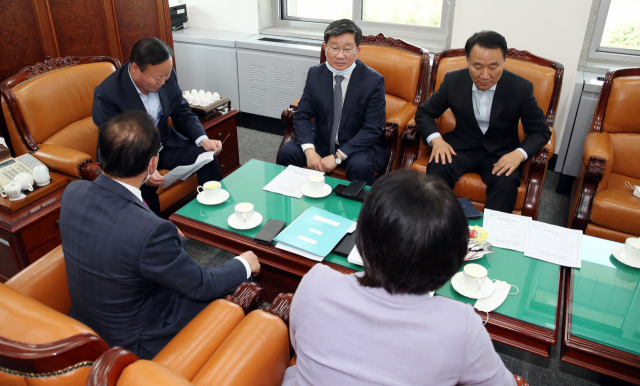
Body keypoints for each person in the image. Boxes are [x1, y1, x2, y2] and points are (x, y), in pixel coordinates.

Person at [282, 171, 516, 386]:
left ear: (362, 237)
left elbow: (297, 345)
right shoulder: (462, 327)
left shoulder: (316, 282)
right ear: (452, 261)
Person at [60, 110, 260, 359]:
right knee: (241, 284)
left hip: (86, 322)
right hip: (134, 342)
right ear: (153, 163)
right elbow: (201, 285)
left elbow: (118, 225)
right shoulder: (150, 232)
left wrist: (155, 231)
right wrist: (244, 263)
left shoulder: (73, 192)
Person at [415, 30, 551, 213]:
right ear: (467, 61)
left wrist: (518, 154)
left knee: (506, 183)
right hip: (460, 147)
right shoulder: (453, 81)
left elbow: (541, 131)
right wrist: (437, 140)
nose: (485, 75)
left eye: (493, 67)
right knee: (437, 169)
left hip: (501, 152)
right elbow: (424, 112)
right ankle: (433, 226)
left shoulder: (521, 88)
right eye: (477, 66)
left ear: (504, 62)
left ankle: (491, 236)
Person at [93, 37, 223, 216]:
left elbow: (182, 111)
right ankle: (156, 234)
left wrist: (203, 139)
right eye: (157, 77)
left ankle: (218, 214)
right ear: (136, 69)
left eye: (167, 75)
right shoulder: (107, 93)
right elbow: (114, 141)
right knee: (144, 188)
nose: (163, 81)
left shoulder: (166, 75)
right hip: (131, 155)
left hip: (164, 144)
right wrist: (145, 172)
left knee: (205, 156)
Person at [276, 19, 388, 186]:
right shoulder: (315, 74)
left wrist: (337, 157)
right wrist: (310, 151)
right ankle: (290, 198)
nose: (340, 55)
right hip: (322, 139)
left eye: (347, 49)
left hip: (357, 145)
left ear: (358, 50)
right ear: (325, 48)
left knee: (360, 167)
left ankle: (359, 211)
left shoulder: (373, 80)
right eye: (334, 48)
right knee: (287, 151)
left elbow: (372, 128)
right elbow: (302, 115)